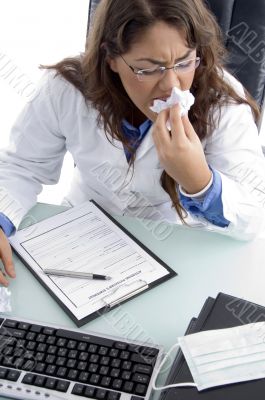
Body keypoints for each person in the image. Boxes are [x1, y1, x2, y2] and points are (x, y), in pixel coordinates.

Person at [0, 0, 265, 286]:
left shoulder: (222, 103)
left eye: (184, 62)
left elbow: (253, 216)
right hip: (80, 240)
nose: (172, 85)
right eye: (148, 69)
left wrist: (200, 182)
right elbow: (21, 167)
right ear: (111, 58)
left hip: (175, 246)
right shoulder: (65, 87)